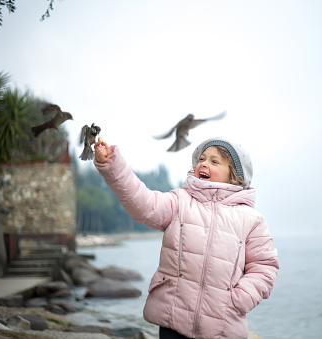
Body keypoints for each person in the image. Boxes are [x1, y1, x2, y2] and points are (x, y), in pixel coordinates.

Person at [94, 136, 279, 339]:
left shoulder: (251, 220)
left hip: (223, 327)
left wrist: (239, 299)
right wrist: (113, 166)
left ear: (234, 175)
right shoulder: (180, 202)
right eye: (202, 159)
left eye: (214, 161)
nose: (204, 164)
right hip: (173, 317)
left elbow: (264, 267)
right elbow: (143, 203)